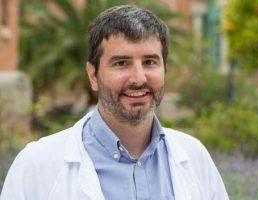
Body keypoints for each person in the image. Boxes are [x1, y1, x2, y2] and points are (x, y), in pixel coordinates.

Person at [0, 5, 229, 200]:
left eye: (150, 62)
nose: (139, 78)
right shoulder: (38, 165)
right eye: (121, 63)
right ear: (93, 75)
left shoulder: (195, 157)